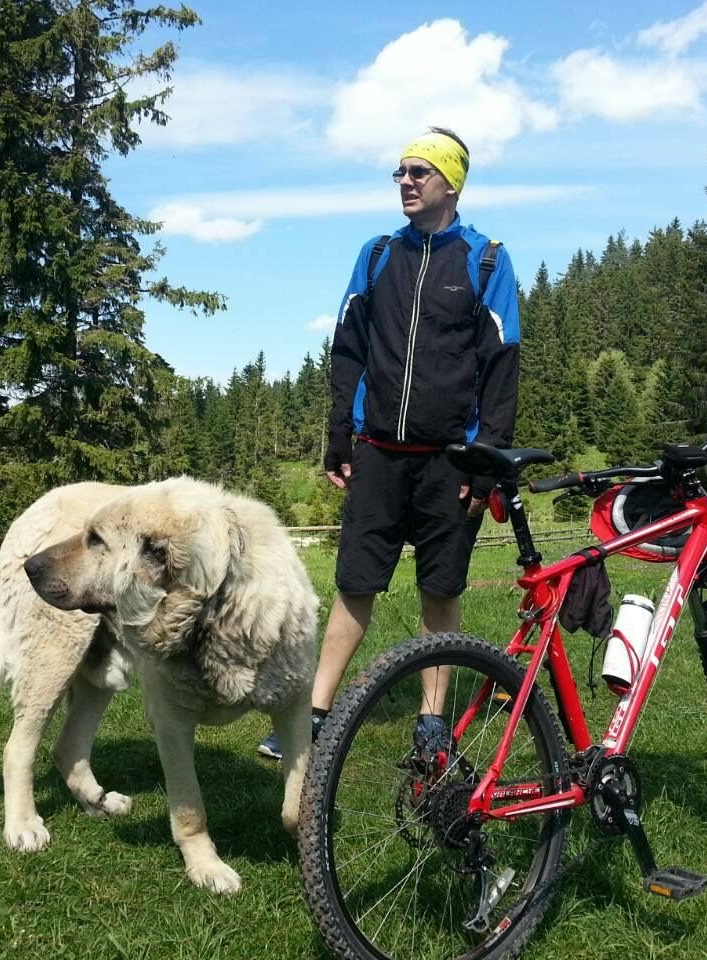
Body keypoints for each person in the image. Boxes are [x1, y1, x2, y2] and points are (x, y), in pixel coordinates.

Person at [259, 127, 520, 760]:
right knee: (355, 583)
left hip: (449, 461)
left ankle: (431, 723)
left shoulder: (486, 260)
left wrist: (485, 460)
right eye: (400, 172)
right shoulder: (376, 255)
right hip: (378, 453)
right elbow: (347, 347)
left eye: (418, 171)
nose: (405, 181)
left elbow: (502, 364)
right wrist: (338, 434)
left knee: (441, 590)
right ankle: (315, 712)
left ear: (450, 183)